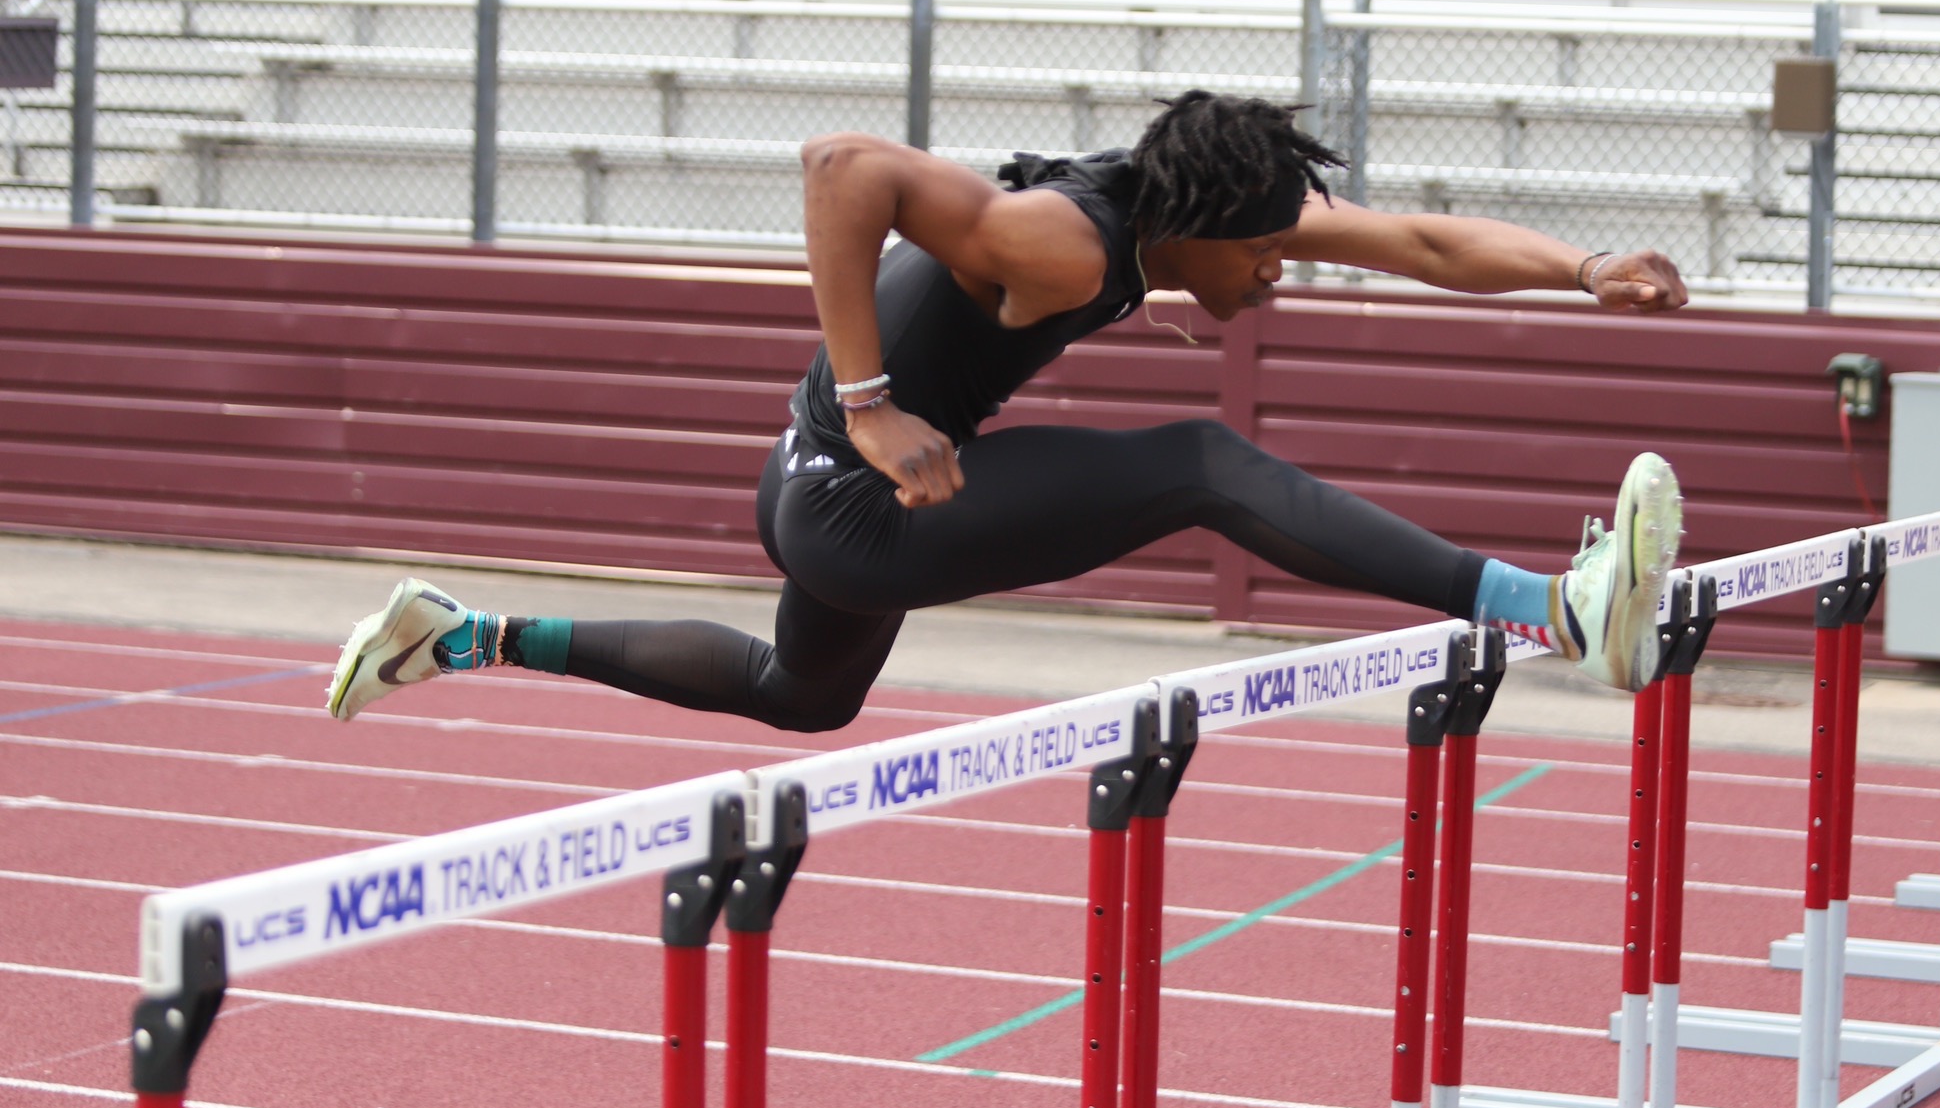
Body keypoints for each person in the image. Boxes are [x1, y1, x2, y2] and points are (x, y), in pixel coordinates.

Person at [326, 92, 1690, 732]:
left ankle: (471, 634)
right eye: (1268, 254)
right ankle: (1548, 611)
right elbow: (841, 163)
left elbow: (1424, 243)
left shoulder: (1178, 211)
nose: (1279, 273)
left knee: (802, 696)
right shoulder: (1066, 243)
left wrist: (1585, 269)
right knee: (1201, 460)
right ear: (1199, 228)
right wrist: (870, 406)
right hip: (851, 498)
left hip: (825, 492)